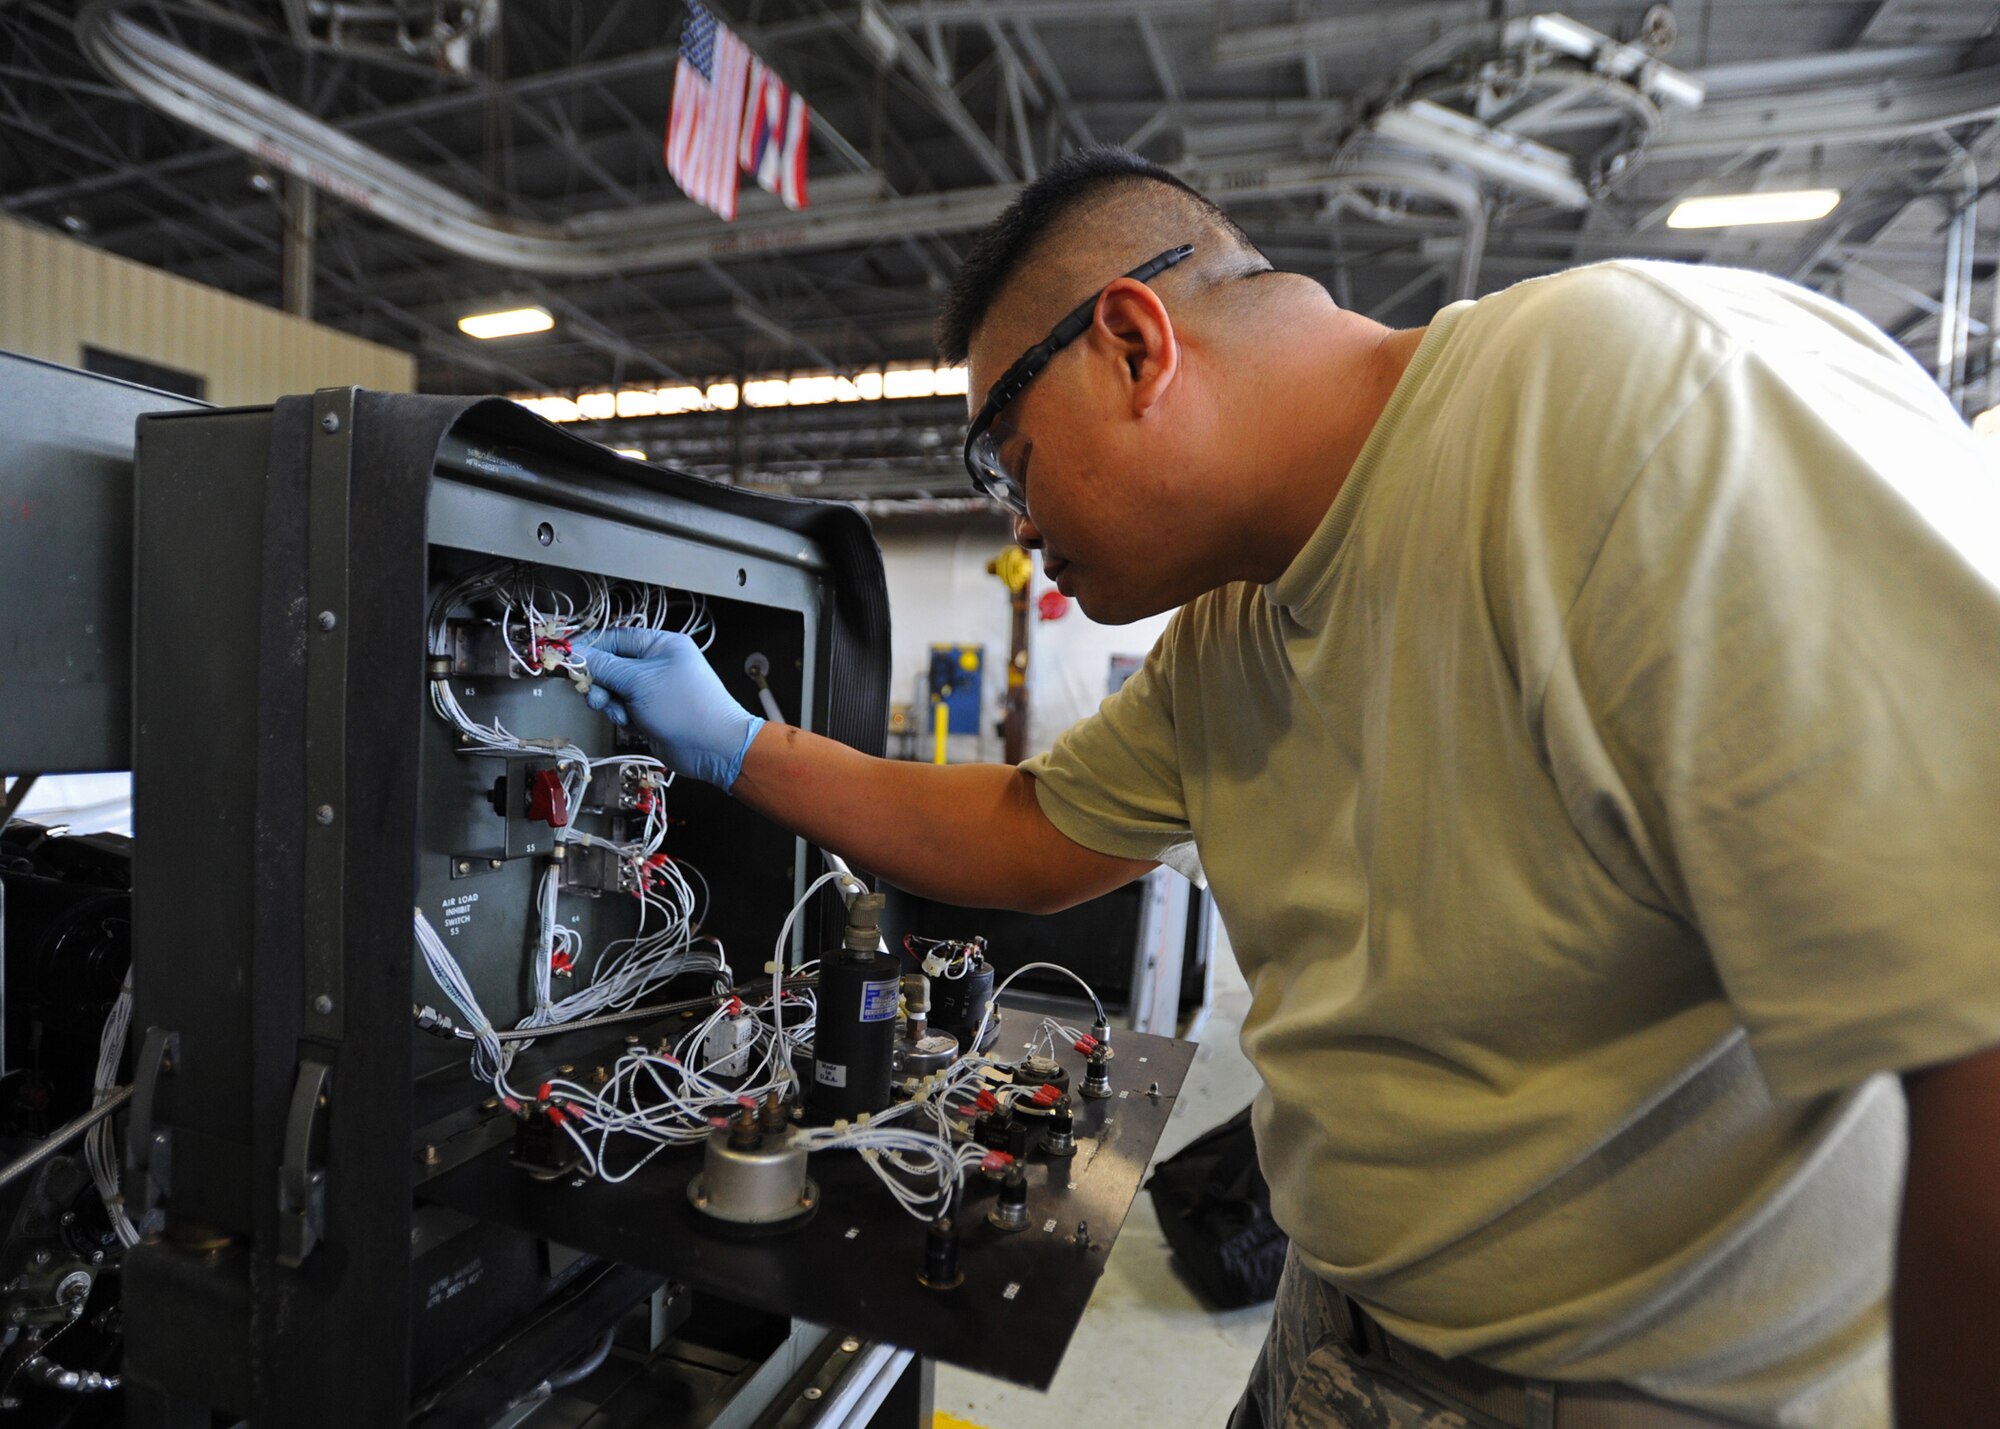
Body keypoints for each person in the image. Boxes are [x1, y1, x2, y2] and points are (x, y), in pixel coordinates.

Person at [578, 147, 2000, 1428]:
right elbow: (1028, 830)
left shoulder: (1627, 404)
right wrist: (743, 746)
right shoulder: (1232, 633)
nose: (1019, 525)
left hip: (1642, 1389)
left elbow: (1974, 1005)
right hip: (1345, 1329)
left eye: (1012, 461)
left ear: (1135, 344)